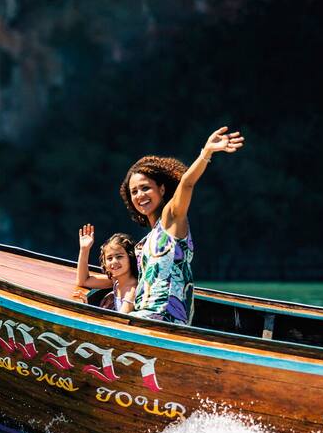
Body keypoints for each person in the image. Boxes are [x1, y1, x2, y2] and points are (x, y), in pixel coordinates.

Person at [120, 126, 244, 324]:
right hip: (142, 317)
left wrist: (206, 152)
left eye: (145, 188)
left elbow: (186, 183)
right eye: (134, 192)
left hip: (163, 320)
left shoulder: (172, 219)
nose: (140, 195)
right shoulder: (144, 243)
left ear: (161, 189)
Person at [75, 225, 138, 314]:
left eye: (119, 257)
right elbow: (83, 281)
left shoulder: (132, 290)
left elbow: (120, 322)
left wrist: (87, 308)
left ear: (130, 257)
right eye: (109, 258)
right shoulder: (116, 281)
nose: (114, 262)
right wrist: (84, 249)